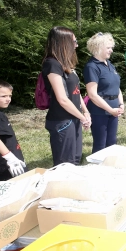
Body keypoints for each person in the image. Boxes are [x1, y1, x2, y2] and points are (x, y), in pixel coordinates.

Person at [42, 26, 90, 166]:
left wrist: (85, 112)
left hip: (74, 117)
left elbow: (76, 91)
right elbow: (62, 99)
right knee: (65, 164)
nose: (76, 45)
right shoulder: (52, 64)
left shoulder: (66, 64)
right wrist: (82, 118)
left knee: (75, 159)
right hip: (62, 121)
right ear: (63, 43)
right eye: (74, 41)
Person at [83, 32, 124, 154]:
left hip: (114, 109)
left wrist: (120, 104)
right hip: (99, 111)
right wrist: (110, 110)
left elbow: (116, 86)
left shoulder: (110, 65)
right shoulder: (91, 67)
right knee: (100, 145)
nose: (111, 50)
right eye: (108, 48)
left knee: (112, 143)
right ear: (98, 48)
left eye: (112, 47)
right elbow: (92, 94)